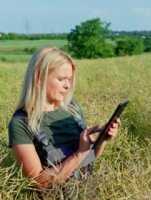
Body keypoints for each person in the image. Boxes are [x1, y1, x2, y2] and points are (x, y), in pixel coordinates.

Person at [8, 47, 121, 190]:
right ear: (38, 77)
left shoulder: (72, 108)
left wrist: (102, 139)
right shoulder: (21, 124)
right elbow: (39, 183)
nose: (67, 86)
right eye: (61, 79)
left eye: (69, 79)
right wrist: (80, 153)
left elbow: (90, 157)